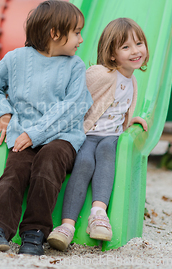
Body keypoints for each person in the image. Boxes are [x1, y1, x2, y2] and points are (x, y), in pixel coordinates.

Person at [0, 0, 93, 256]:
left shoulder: (74, 66)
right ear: (55, 33)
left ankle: (35, 231)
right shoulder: (15, 59)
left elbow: (73, 106)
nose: (81, 39)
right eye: (76, 32)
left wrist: (36, 133)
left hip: (62, 137)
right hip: (23, 136)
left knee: (48, 163)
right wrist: (3, 112)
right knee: (15, 171)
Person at [47, 17, 149, 252]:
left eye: (139, 43)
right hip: (85, 135)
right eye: (126, 47)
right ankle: (66, 226)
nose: (135, 51)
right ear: (112, 54)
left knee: (106, 153)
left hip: (110, 138)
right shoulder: (101, 74)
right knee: (83, 163)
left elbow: (121, 108)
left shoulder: (132, 79)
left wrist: (129, 120)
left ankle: (98, 214)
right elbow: (73, 93)